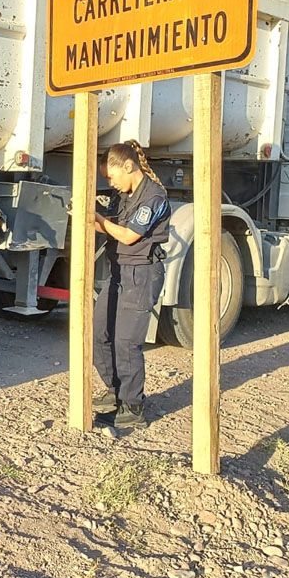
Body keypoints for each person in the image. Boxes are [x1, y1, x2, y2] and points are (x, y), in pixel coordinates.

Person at [92, 140, 171, 428]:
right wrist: (88, 217)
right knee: (98, 332)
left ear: (128, 166)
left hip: (141, 274)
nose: (110, 183)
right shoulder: (125, 195)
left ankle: (132, 407)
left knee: (127, 342)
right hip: (119, 271)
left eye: (111, 177)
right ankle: (116, 392)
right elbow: (111, 228)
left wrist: (97, 218)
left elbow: (127, 236)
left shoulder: (153, 196)